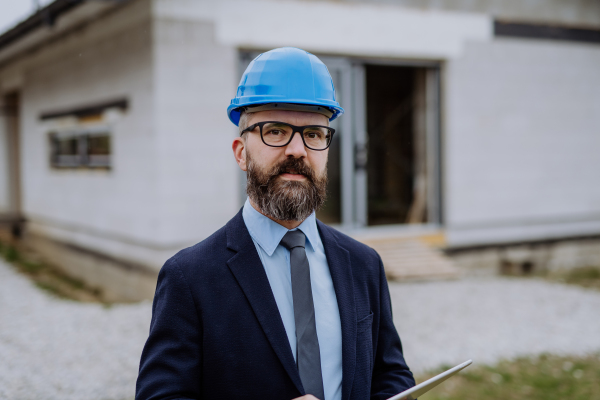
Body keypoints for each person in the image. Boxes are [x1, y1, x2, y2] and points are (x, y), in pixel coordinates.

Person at [136, 47, 415, 400]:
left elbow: (389, 374)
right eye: (276, 131)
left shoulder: (363, 263)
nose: (298, 150)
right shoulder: (189, 277)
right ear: (241, 152)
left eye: (314, 133)